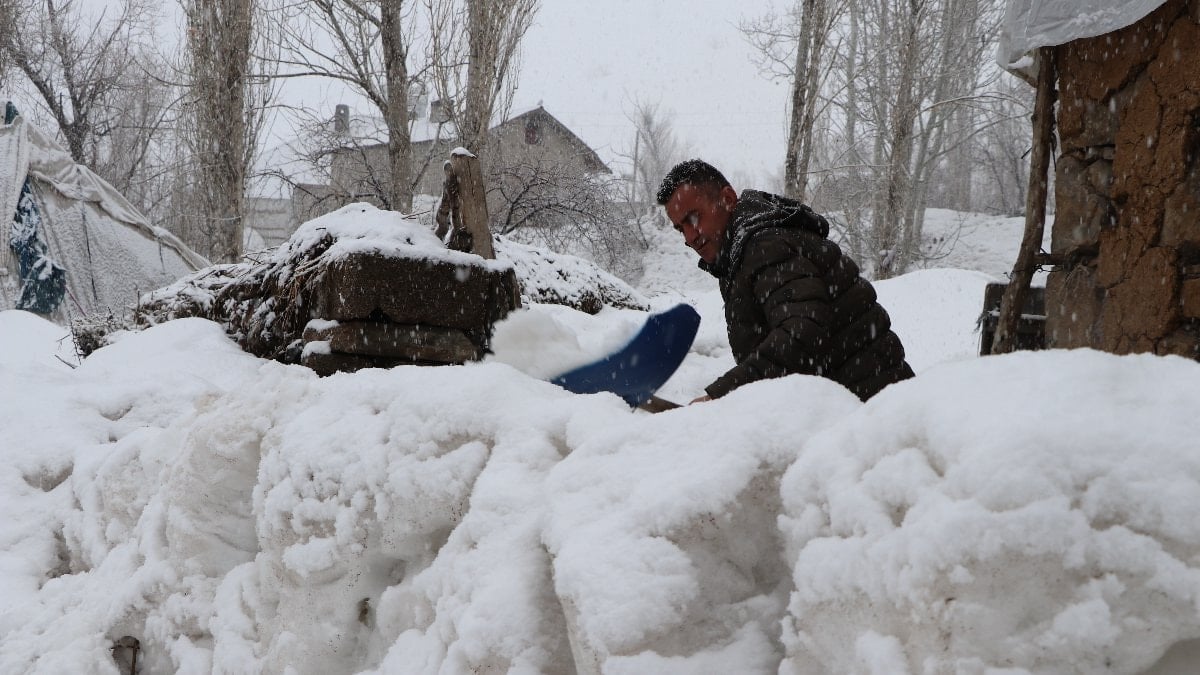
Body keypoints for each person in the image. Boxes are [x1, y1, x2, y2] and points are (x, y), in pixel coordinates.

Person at [656, 159, 914, 403]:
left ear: (727, 199)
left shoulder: (765, 246)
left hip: (875, 414)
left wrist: (725, 394)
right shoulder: (740, 255)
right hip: (854, 409)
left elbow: (802, 332)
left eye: (693, 218)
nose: (690, 237)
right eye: (681, 228)